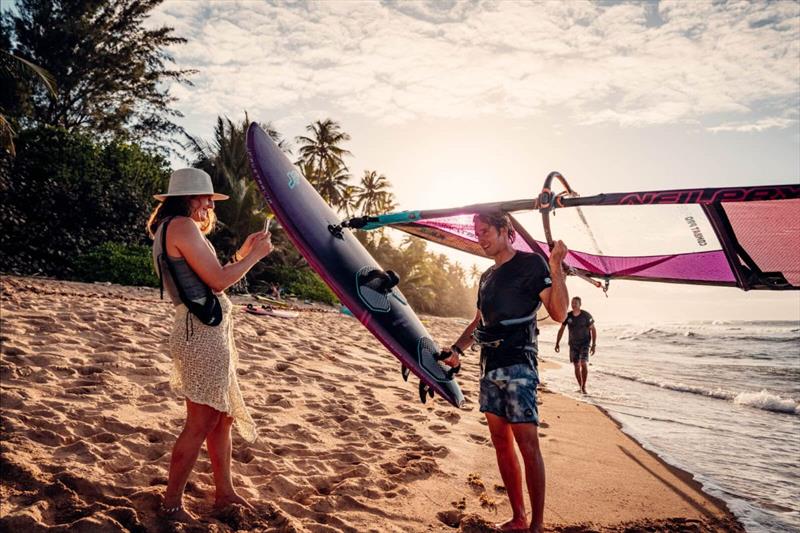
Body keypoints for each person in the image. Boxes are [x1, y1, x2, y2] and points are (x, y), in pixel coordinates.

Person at [147, 168, 273, 521]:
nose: (208, 204)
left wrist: (241, 254)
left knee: (221, 419)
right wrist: (255, 258)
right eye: (204, 197)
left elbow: (212, 275)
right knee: (201, 423)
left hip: (204, 330)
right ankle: (171, 503)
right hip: (201, 333)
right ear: (187, 198)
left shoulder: (170, 229)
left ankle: (224, 492)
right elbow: (217, 282)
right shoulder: (182, 227)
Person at [441, 212, 568, 533]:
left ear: (505, 231)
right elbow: (479, 322)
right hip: (490, 365)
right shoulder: (486, 276)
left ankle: (537, 525)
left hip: (519, 363)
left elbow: (558, 312)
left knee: (527, 443)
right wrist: (457, 351)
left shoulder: (531, 265)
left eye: (485, 231)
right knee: (500, 441)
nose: (480, 237)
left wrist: (556, 266)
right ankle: (518, 517)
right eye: (477, 232)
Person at [554, 296, 596, 394]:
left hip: (585, 343)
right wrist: (557, 343)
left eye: (576, 303)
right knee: (576, 366)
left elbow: (593, 329)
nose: (573, 305)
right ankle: (580, 386)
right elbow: (561, 329)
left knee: (583, 363)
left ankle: (584, 386)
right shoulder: (568, 316)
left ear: (580, 304)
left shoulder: (586, 315)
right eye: (572, 303)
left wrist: (593, 344)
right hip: (573, 344)